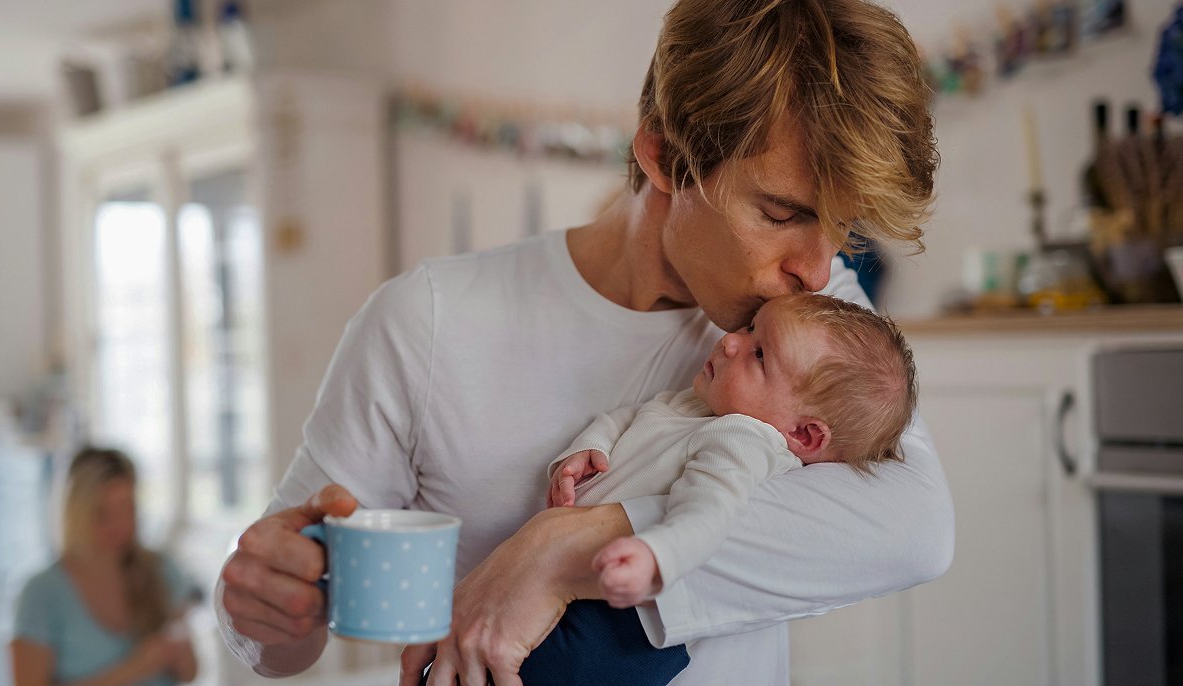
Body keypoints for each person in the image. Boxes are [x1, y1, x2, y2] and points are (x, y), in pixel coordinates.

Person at [216, 1, 952, 685]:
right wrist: (264, 609)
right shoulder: (427, 321)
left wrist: (559, 551)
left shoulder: (809, 320)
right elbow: (277, 628)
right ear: (665, 156)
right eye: (783, 212)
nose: (819, 268)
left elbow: (916, 528)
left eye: (841, 227)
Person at [519, 293, 914, 684]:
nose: (730, 340)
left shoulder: (742, 439)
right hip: (584, 588)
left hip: (618, 623)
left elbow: (710, 513)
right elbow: (629, 418)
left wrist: (656, 555)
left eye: (760, 355)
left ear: (804, 434)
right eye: (750, 326)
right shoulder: (700, 403)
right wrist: (592, 447)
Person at [10, 448, 198, 686]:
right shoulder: (41, 594)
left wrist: (180, 653)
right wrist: (137, 667)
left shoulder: (162, 570)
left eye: (128, 509)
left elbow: (191, 671)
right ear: (76, 515)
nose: (120, 526)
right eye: (103, 515)